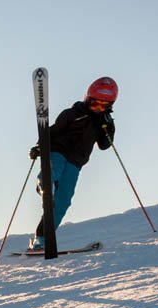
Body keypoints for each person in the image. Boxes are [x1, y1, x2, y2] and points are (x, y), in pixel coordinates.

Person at [28, 76, 118, 249]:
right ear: (87, 99)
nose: (98, 109)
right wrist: (39, 147)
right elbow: (51, 131)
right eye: (95, 104)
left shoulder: (103, 122)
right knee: (54, 169)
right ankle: (45, 184)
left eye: (103, 106)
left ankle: (42, 238)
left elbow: (104, 145)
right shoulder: (72, 114)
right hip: (58, 150)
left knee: (63, 201)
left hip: (76, 162)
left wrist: (108, 127)